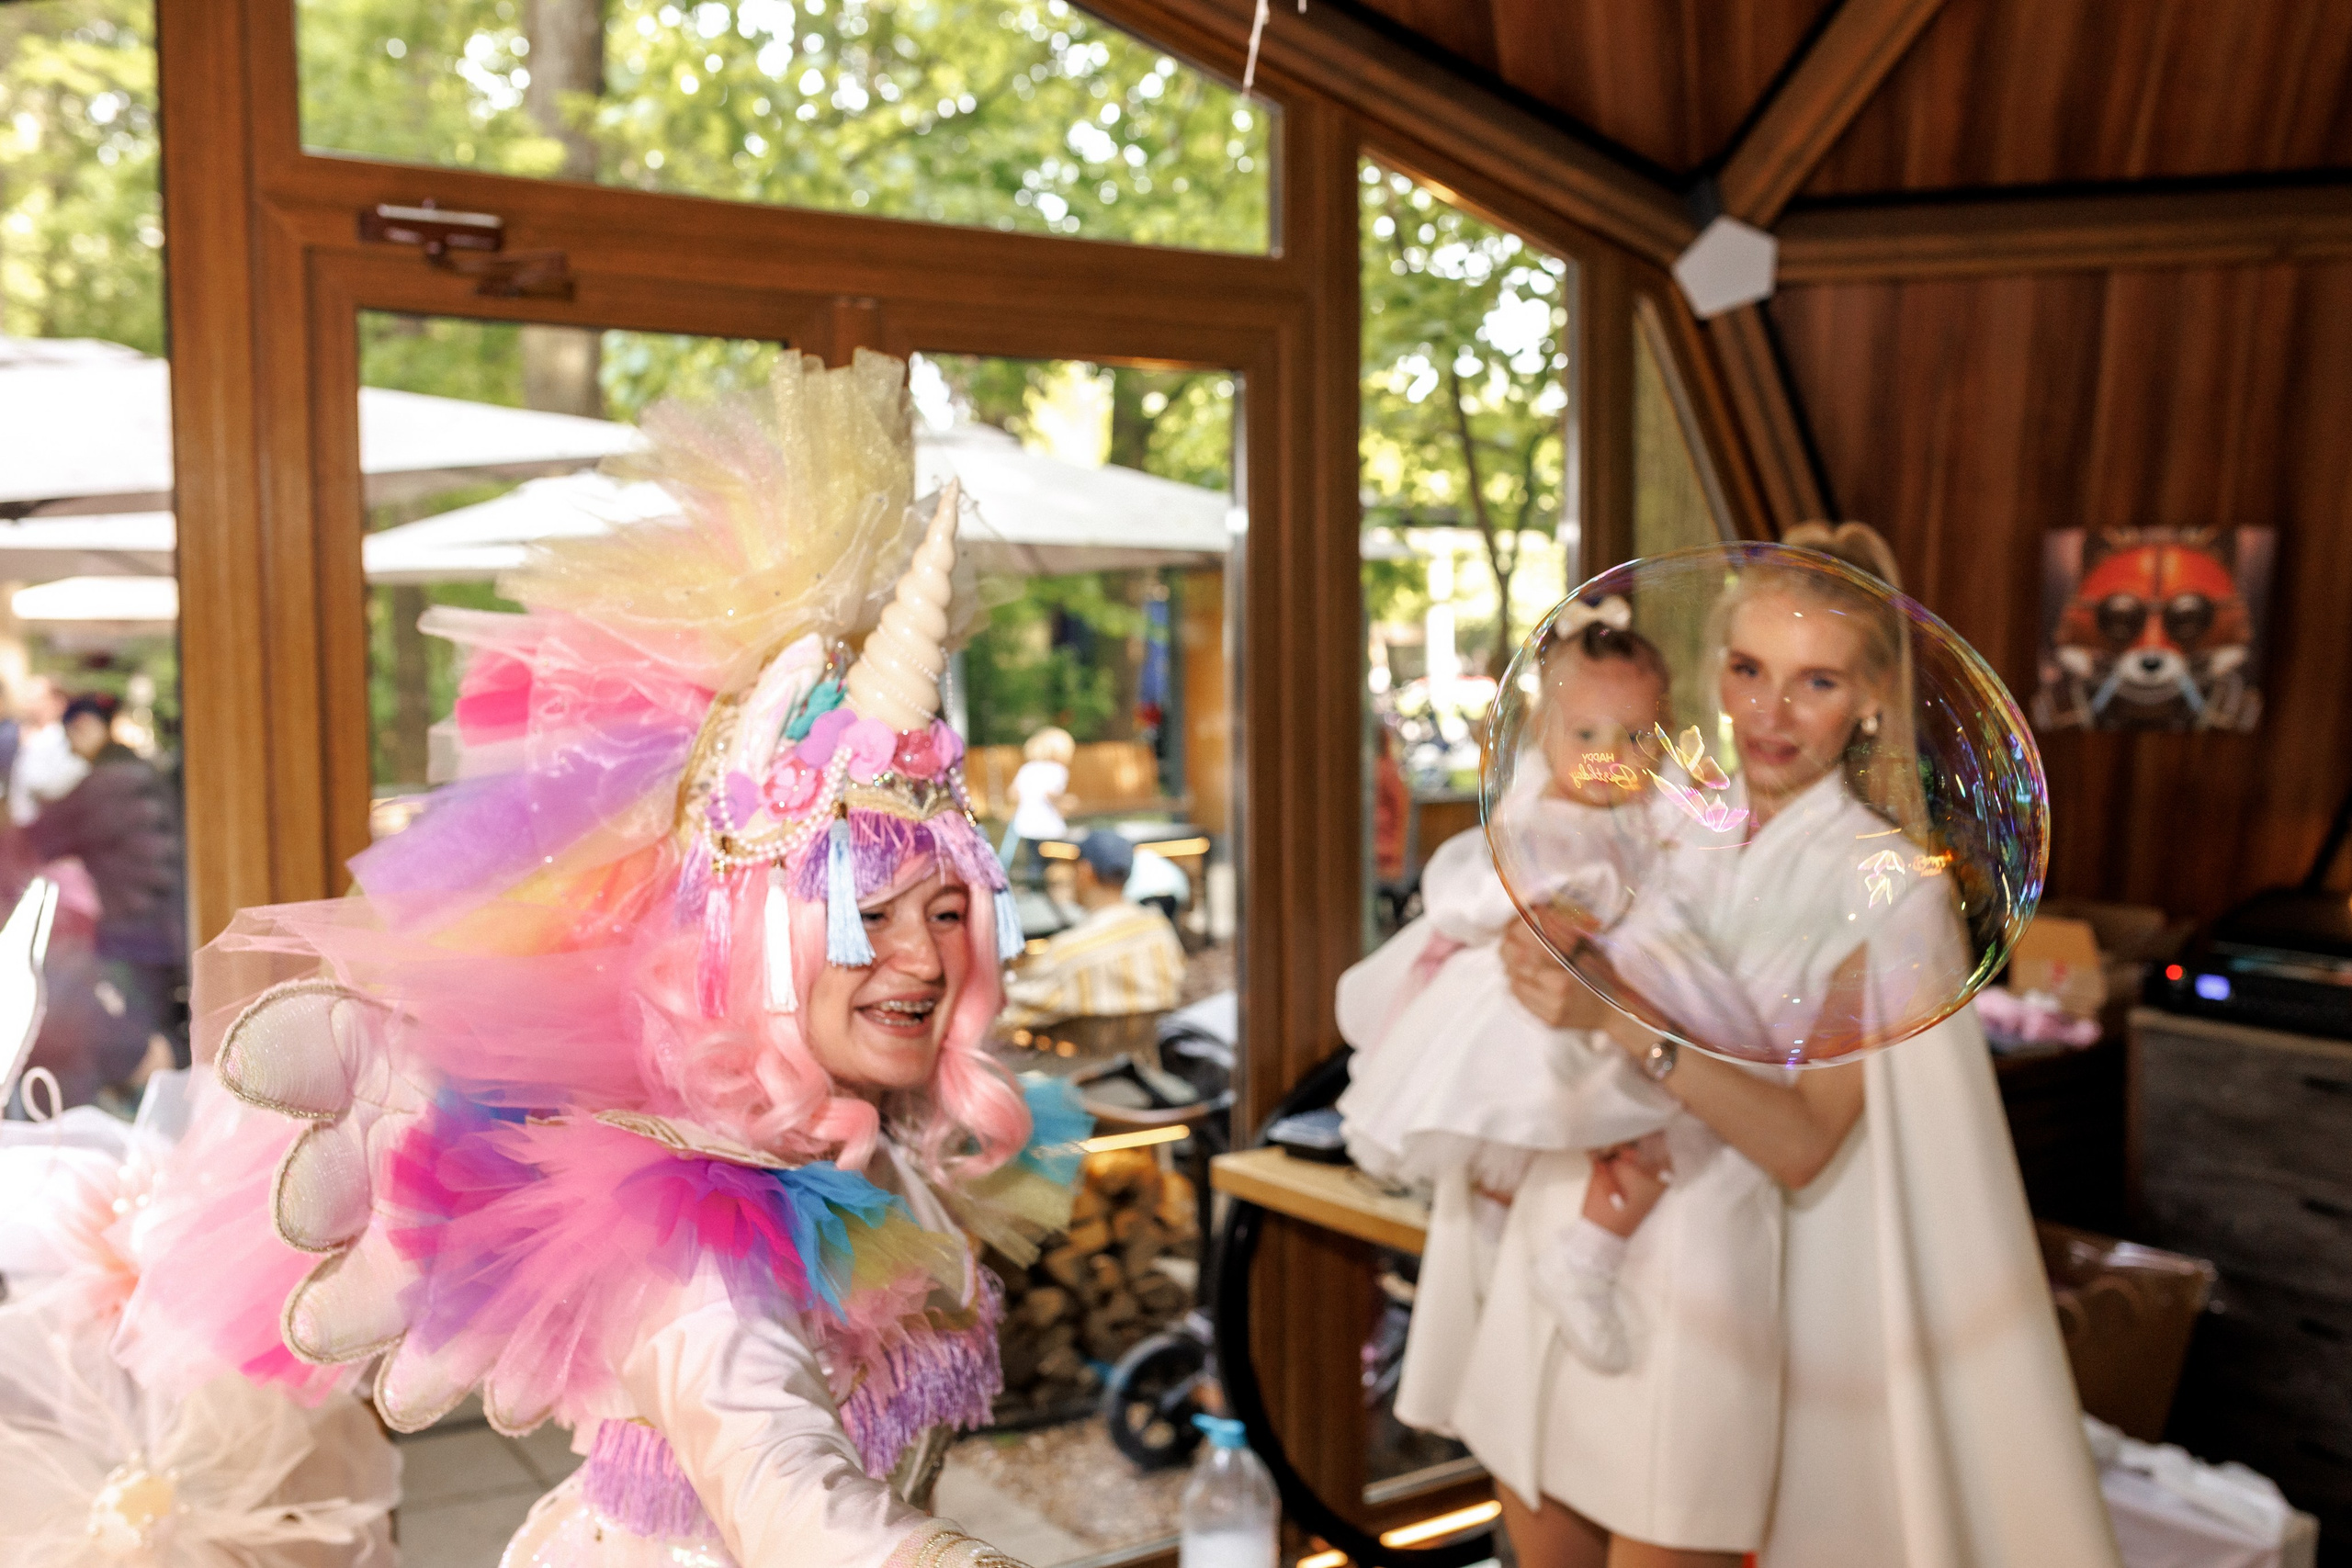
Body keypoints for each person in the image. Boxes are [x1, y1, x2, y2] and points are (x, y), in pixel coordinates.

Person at [117, 352, 1087, 1568]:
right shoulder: (693, 1217)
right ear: (754, 937)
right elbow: (782, 1489)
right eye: (864, 916)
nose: (923, 959)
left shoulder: (868, 1142)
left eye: (948, 914)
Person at [1484, 524, 2116, 1568]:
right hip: (1565, 1244)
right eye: (1748, 670)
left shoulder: (1894, 894)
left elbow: (1805, 1144)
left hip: (1707, 1301)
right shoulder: (1654, 818)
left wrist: (1615, 1013)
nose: (1769, 713)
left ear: (1872, 696)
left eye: (1814, 681)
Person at [26, 691, 187, 1076]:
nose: (71, 749)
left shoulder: (108, 784)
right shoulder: (142, 771)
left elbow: (36, 840)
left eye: (71, 736)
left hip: (134, 937)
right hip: (166, 931)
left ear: (85, 727)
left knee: (142, 1050)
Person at [1000, 829, 1186, 1033]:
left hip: (1078, 1053)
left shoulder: (1066, 951)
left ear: (1085, 870)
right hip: (1148, 1049)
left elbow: (1008, 1013)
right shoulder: (1161, 930)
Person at [8, 675, 85, 827]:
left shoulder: (64, 741)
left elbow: (55, 787)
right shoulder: (24, 736)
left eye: (37, 698)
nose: (29, 704)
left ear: (58, 703)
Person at [1000, 726, 1077, 875]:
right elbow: (1050, 795)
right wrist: (1066, 802)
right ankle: (1050, 882)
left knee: (1034, 860)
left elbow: (1013, 793)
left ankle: (1033, 883)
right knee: (1052, 860)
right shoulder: (1057, 770)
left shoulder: (1027, 768)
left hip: (1026, 823)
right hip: (1047, 825)